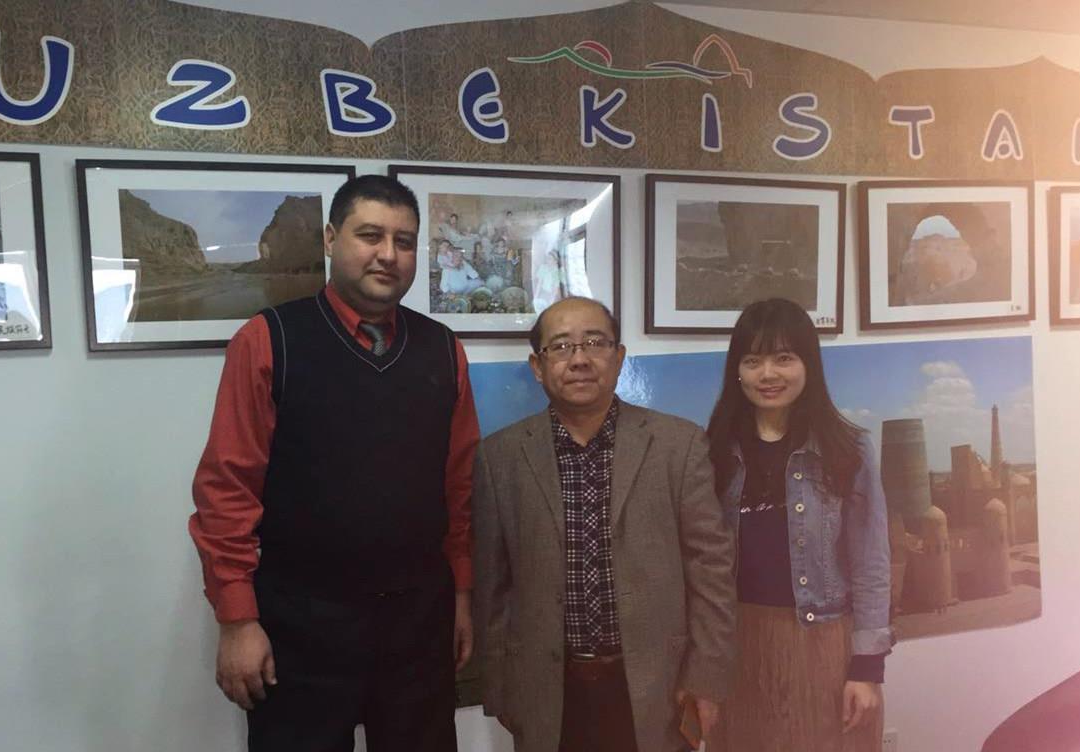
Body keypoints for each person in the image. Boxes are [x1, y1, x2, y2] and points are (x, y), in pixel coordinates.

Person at [189, 174, 480, 752]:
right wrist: (237, 619)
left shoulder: (443, 349)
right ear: (330, 238)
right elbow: (227, 490)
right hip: (300, 623)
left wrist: (462, 595)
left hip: (418, 619)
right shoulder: (269, 340)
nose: (388, 254)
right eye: (370, 235)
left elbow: (460, 488)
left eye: (403, 241)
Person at [473, 296, 737, 752]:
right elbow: (492, 588)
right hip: (547, 693)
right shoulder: (500, 458)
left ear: (618, 357)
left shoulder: (678, 445)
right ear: (538, 367)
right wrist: (500, 688)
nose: (579, 359)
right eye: (561, 346)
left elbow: (711, 569)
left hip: (659, 689)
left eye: (595, 343)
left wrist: (706, 678)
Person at [705, 298, 892, 752]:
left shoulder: (849, 449)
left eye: (784, 358)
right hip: (736, 646)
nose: (768, 374)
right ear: (737, 370)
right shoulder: (712, 452)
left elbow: (871, 564)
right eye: (753, 361)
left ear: (809, 364)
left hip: (824, 642)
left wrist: (867, 669)